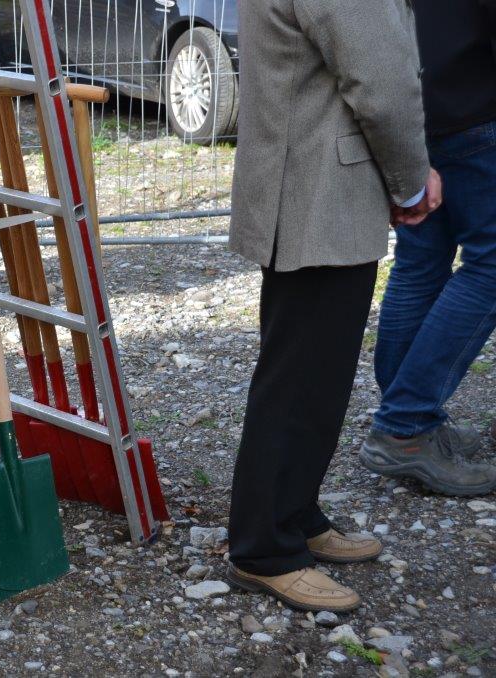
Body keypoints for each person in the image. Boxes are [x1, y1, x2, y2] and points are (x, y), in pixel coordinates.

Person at [226, 0, 441, 612]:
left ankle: (293, 513)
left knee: (313, 373)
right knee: (300, 377)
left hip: (307, 182)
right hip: (318, 191)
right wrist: (411, 179)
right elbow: (382, 81)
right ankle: (264, 548)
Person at [359, 0, 496, 496]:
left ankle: (411, 419)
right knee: (490, 267)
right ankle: (405, 425)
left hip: (417, 107)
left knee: (420, 264)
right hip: (476, 106)